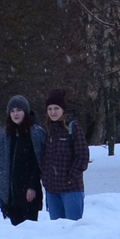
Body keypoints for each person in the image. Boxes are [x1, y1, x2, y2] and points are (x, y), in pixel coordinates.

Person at [0, 95, 44, 225]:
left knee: (29, 230)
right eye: (12, 111)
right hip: (11, 193)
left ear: (25, 111)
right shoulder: (5, 134)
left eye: (19, 110)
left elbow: (38, 162)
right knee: (16, 233)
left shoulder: (35, 132)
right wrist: (1, 189)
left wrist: (32, 186)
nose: (15, 114)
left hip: (29, 192)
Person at [39, 90, 88, 220]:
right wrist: (45, 178)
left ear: (63, 110)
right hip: (52, 190)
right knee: (57, 231)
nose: (53, 112)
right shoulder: (48, 129)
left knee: (73, 229)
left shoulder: (73, 127)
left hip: (71, 190)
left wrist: (71, 177)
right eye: (49, 109)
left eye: (56, 108)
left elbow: (82, 156)